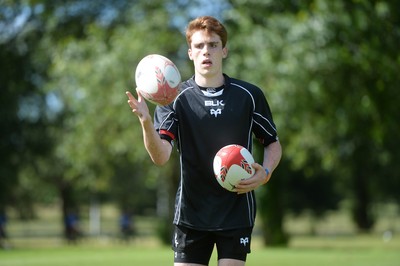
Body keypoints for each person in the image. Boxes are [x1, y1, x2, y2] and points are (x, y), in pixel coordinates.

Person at [126, 16, 282, 266]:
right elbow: (161, 157)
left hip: (236, 212)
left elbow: (272, 142)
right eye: (199, 46)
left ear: (224, 50)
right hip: (191, 214)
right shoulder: (173, 100)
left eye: (213, 45)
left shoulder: (249, 96)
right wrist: (146, 121)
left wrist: (265, 171)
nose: (206, 51)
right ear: (190, 53)